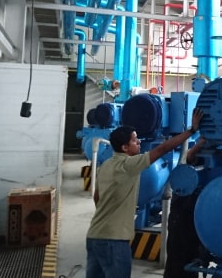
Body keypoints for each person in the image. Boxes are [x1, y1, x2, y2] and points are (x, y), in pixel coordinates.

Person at [86, 108, 206, 278]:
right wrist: (192, 131)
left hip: (94, 235)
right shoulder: (129, 165)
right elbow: (162, 149)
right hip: (114, 239)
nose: (139, 142)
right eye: (135, 140)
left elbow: (97, 196)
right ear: (125, 147)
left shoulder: (105, 165)